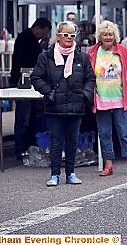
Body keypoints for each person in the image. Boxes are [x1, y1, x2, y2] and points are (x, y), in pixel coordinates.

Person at [31, 21, 95, 186]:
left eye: (72, 35)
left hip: (76, 104)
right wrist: (48, 91)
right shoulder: (46, 56)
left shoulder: (82, 56)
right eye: (65, 35)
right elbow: (36, 77)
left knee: (73, 141)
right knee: (56, 141)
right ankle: (54, 174)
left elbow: (90, 78)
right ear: (58, 36)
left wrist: (85, 95)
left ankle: (71, 173)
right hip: (55, 105)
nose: (69, 38)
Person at [87, 21, 127, 176]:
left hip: (120, 99)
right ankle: (108, 165)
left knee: (124, 133)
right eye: (105, 34)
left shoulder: (123, 52)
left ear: (115, 36)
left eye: (110, 34)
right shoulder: (92, 52)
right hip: (100, 100)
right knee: (104, 133)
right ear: (100, 36)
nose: (108, 37)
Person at [10, 18, 52, 160]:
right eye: (43, 33)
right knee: (24, 117)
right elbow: (27, 62)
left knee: (29, 116)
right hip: (23, 83)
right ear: (38, 28)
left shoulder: (29, 39)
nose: (43, 36)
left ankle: (27, 146)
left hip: (28, 82)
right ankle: (21, 148)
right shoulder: (26, 39)